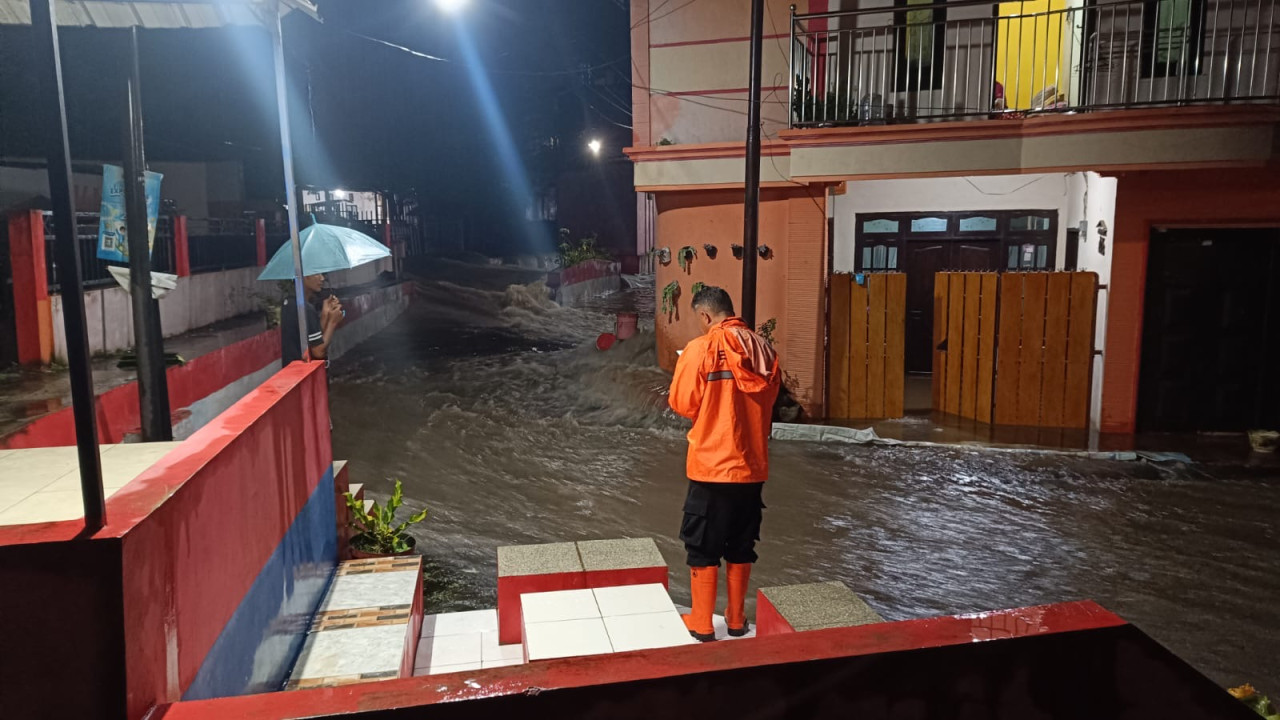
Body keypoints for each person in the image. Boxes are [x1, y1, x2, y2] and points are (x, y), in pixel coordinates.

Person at [668, 286, 781, 642]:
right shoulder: (763, 349)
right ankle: (736, 619)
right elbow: (770, 400)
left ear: (705, 315)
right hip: (751, 467)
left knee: (702, 544)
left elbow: (683, 403)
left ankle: (702, 623)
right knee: (741, 543)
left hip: (712, 466)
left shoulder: (701, 349)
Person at [280, 273, 343, 366]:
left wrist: (325, 314)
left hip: (292, 369)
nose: (322, 278)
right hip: (304, 370)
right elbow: (318, 351)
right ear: (304, 276)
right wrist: (332, 322)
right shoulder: (306, 308)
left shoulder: (290, 301)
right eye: (316, 274)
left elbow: (314, 338)